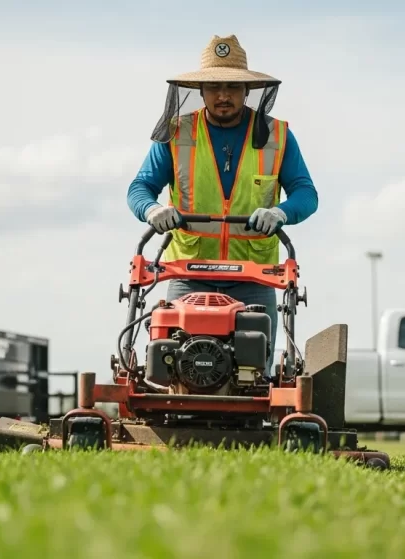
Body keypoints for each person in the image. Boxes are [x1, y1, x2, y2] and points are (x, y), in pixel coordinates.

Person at [126, 34, 318, 378]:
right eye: (214, 87)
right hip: (188, 272)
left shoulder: (277, 137)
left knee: (253, 369)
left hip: (254, 274)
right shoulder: (176, 134)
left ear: (248, 90)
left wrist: (280, 213)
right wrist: (152, 210)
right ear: (200, 90)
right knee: (169, 359)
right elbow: (140, 188)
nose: (223, 95)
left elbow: (306, 193)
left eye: (232, 86)